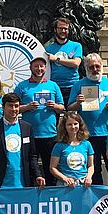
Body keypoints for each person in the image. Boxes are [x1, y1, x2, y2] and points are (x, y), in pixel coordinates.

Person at [68, 53, 108, 185]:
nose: (95, 69)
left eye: (97, 66)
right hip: (88, 135)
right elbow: (69, 107)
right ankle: (98, 196)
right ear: (86, 68)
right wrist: (78, 103)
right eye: (91, 67)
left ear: (102, 66)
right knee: (94, 168)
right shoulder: (78, 85)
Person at [0, 92, 45, 190]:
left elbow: (32, 155)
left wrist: (38, 175)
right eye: (10, 106)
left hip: (23, 184)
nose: (13, 109)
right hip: (0, 185)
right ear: (3, 107)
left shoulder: (27, 127)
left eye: (16, 106)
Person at [14, 56, 65, 186]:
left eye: (41, 66)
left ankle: (52, 194)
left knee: (51, 167)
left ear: (45, 68)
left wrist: (54, 106)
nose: (39, 69)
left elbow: (62, 108)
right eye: (36, 66)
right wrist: (26, 107)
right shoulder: (22, 86)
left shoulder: (53, 85)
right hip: (29, 134)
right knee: (30, 166)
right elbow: (13, 108)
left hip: (50, 135)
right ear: (30, 68)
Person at [44, 17, 83, 103]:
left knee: (72, 115)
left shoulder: (76, 46)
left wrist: (56, 59)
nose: (63, 31)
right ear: (55, 29)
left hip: (73, 86)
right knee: (54, 112)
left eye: (65, 28)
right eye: (60, 28)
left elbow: (76, 63)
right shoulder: (48, 48)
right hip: (55, 86)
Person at [50, 112, 93, 187]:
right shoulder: (59, 146)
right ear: (64, 127)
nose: (73, 127)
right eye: (69, 124)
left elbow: (90, 165)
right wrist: (65, 179)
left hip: (84, 183)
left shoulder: (87, 144)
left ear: (80, 125)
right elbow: (52, 168)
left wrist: (89, 177)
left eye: (75, 124)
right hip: (65, 184)